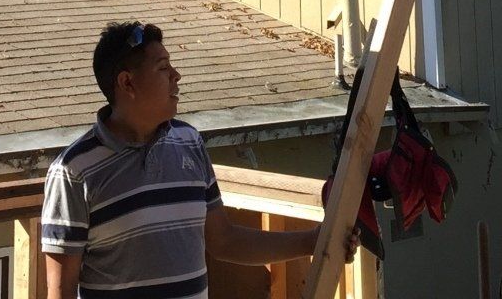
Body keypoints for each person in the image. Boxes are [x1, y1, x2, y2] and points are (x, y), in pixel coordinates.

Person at [41, 20, 347, 298]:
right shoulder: (73, 172)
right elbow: (61, 289)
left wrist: (312, 241)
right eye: (162, 68)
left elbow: (225, 241)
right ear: (127, 83)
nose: (177, 76)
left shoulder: (188, 142)